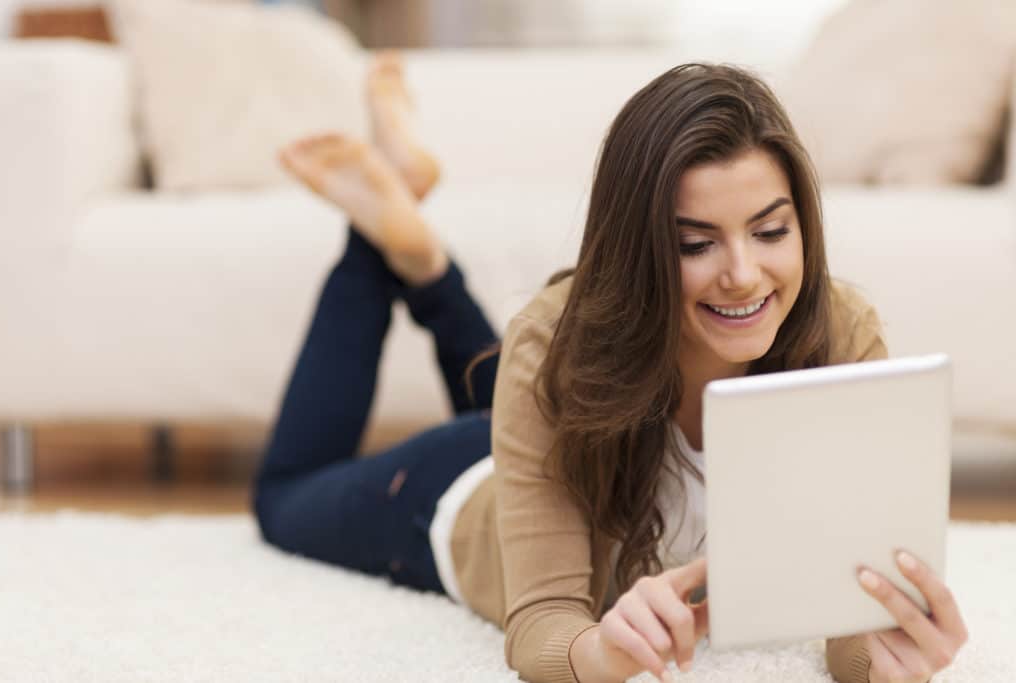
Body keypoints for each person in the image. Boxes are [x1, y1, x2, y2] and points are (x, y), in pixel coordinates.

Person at [252, 54, 968, 683]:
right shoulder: (552, 354)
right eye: (696, 243)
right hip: (456, 492)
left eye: (772, 230)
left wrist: (887, 661)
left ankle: (422, 252)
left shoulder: (840, 334)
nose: (745, 276)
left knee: (515, 369)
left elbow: (849, 626)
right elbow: (541, 622)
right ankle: (375, 240)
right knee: (283, 499)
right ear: (638, 252)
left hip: (559, 416)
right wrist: (604, 653)